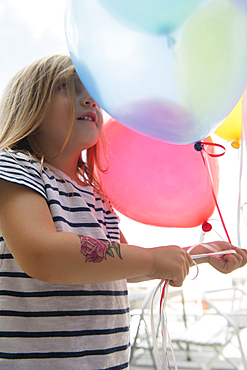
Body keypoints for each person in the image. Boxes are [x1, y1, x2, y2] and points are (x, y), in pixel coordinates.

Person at [0, 55, 246, 370]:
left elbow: (122, 262)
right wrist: (154, 259)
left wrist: (194, 254)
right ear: (28, 106)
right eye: (68, 88)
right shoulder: (15, 167)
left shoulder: (97, 197)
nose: (89, 100)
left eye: (93, 95)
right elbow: (41, 253)